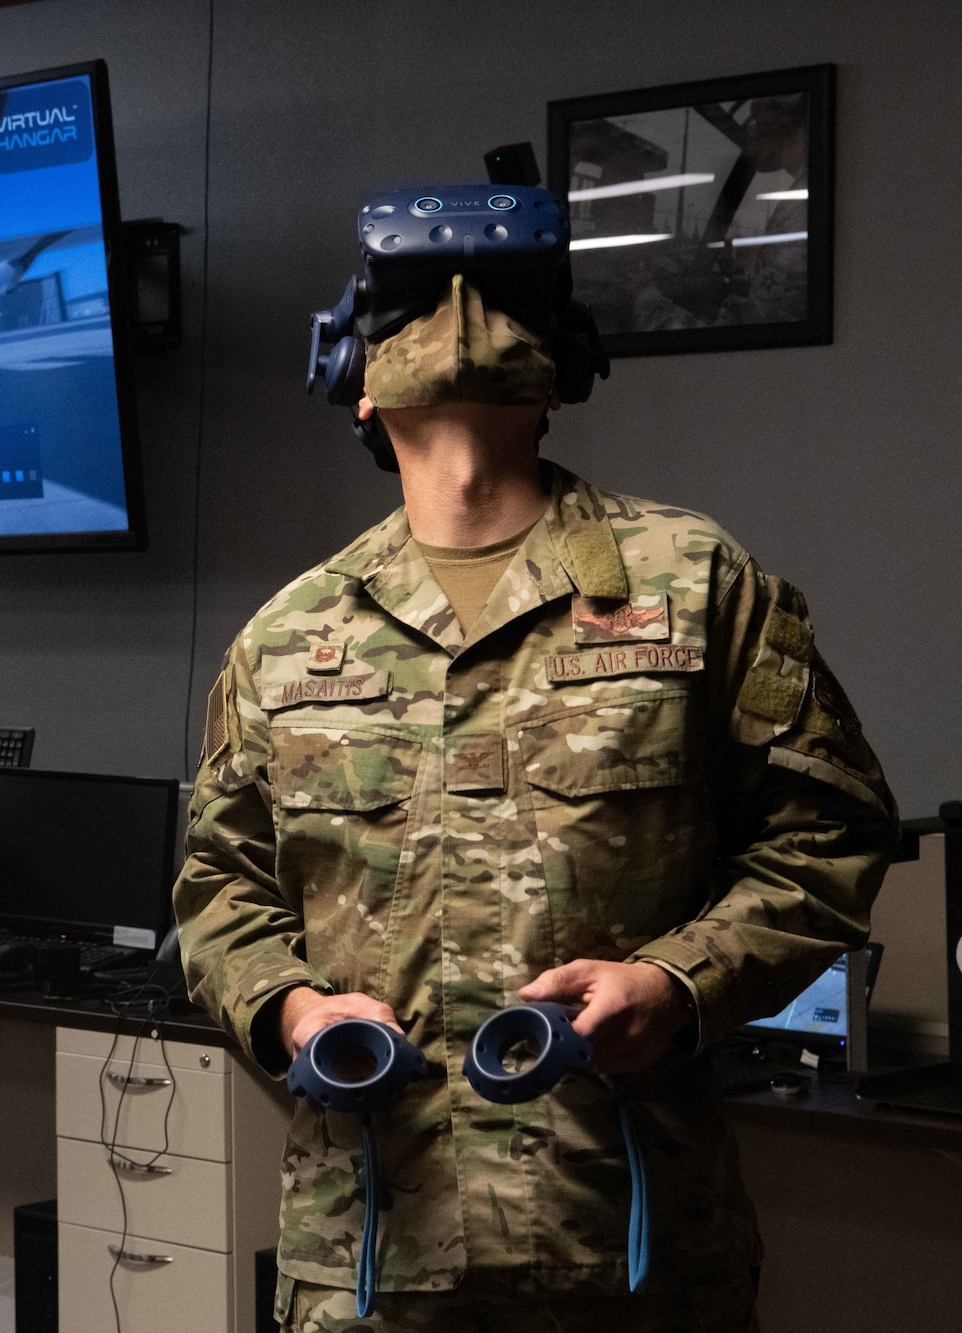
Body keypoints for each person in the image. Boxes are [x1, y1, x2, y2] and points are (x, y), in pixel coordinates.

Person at [175, 260, 895, 1330]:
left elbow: (825, 835)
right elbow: (218, 886)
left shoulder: (695, 586)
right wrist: (290, 1011)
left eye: (497, 295)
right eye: (412, 301)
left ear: (559, 374)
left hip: (627, 1245)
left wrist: (674, 982)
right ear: (356, 386)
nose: (458, 308)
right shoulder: (287, 639)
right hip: (373, 1247)